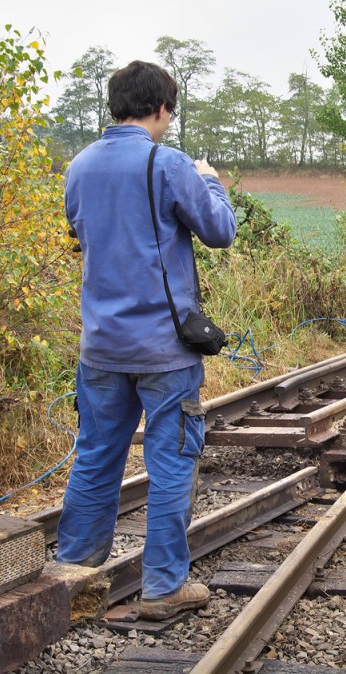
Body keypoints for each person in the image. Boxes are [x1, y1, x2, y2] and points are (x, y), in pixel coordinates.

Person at [57, 60, 237, 620]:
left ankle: (75, 578)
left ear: (116, 105)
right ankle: (164, 587)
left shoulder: (79, 166)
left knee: (94, 457)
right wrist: (210, 181)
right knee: (171, 460)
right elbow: (219, 232)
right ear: (161, 109)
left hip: (101, 348)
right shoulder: (169, 163)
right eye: (170, 110)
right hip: (164, 349)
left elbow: (77, 234)